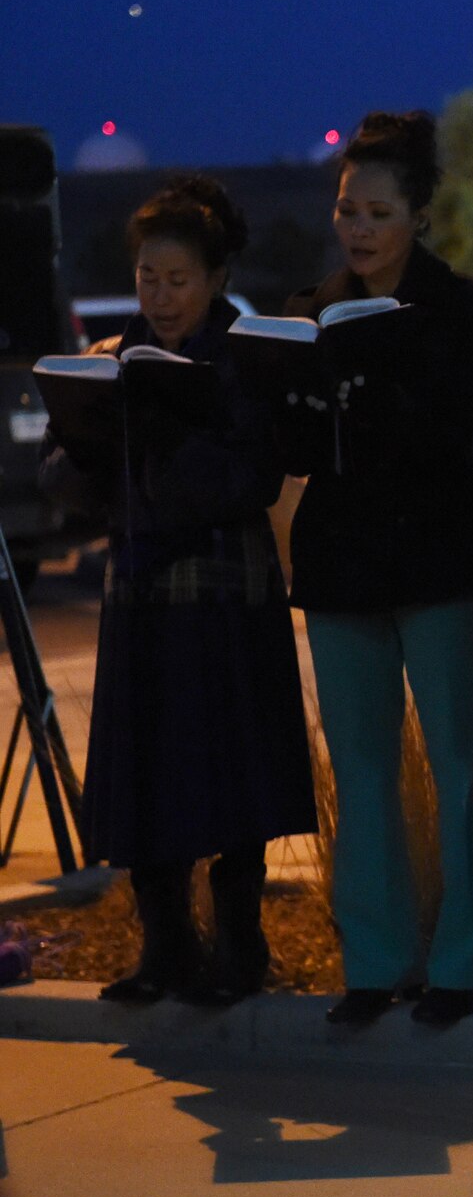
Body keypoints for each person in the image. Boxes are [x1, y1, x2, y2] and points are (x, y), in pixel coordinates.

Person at [39, 177, 316, 1006]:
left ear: (216, 279)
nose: (160, 297)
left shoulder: (244, 356)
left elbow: (253, 476)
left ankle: (238, 946)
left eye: (178, 280)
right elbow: (68, 485)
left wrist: (168, 439)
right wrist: (83, 447)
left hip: (224, 592)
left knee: (227, 771)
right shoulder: (117, 356)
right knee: (146, 767)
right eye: (147, 279)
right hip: (143, 596)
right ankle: (165, 946)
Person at [284, 111, 473, 1028]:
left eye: (378, 211)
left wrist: (376, 385)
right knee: (363, 767)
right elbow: (295, 442)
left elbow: (458, 425)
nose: (359, 228)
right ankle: (375, 960)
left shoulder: (457, 307)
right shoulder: (313, 308)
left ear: (419, 213)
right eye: (348, 210)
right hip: (341, 561)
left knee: (462, 762)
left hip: (437, 554)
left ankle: (467, 961)